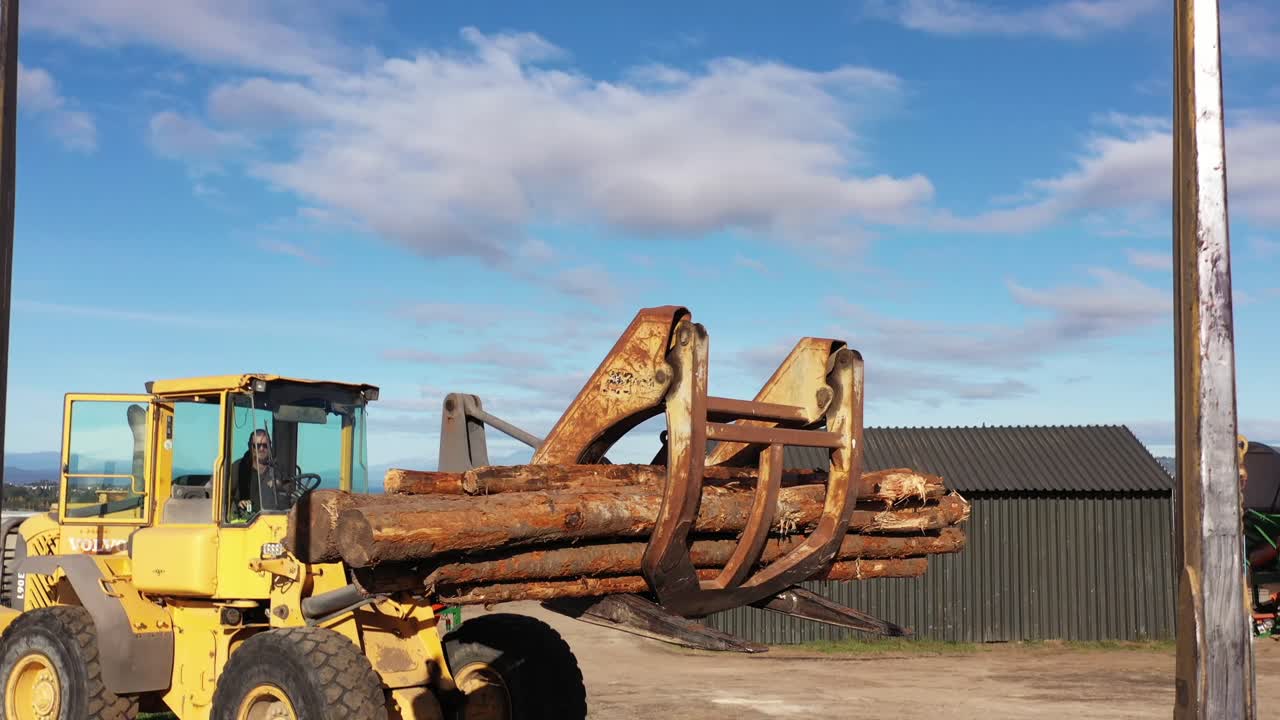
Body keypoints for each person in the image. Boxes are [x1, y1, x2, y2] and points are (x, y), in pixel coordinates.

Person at [230, 428, 294, 518]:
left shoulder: (278, 468)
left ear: (270, 446)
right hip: (246, 522)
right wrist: (238, 504)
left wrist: (280, 485)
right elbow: (225, 497)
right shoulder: (238, 468)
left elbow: (290, 491)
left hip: (272, 521)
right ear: (250, 446)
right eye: (257, 445)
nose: (261, 449)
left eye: (265, 445)